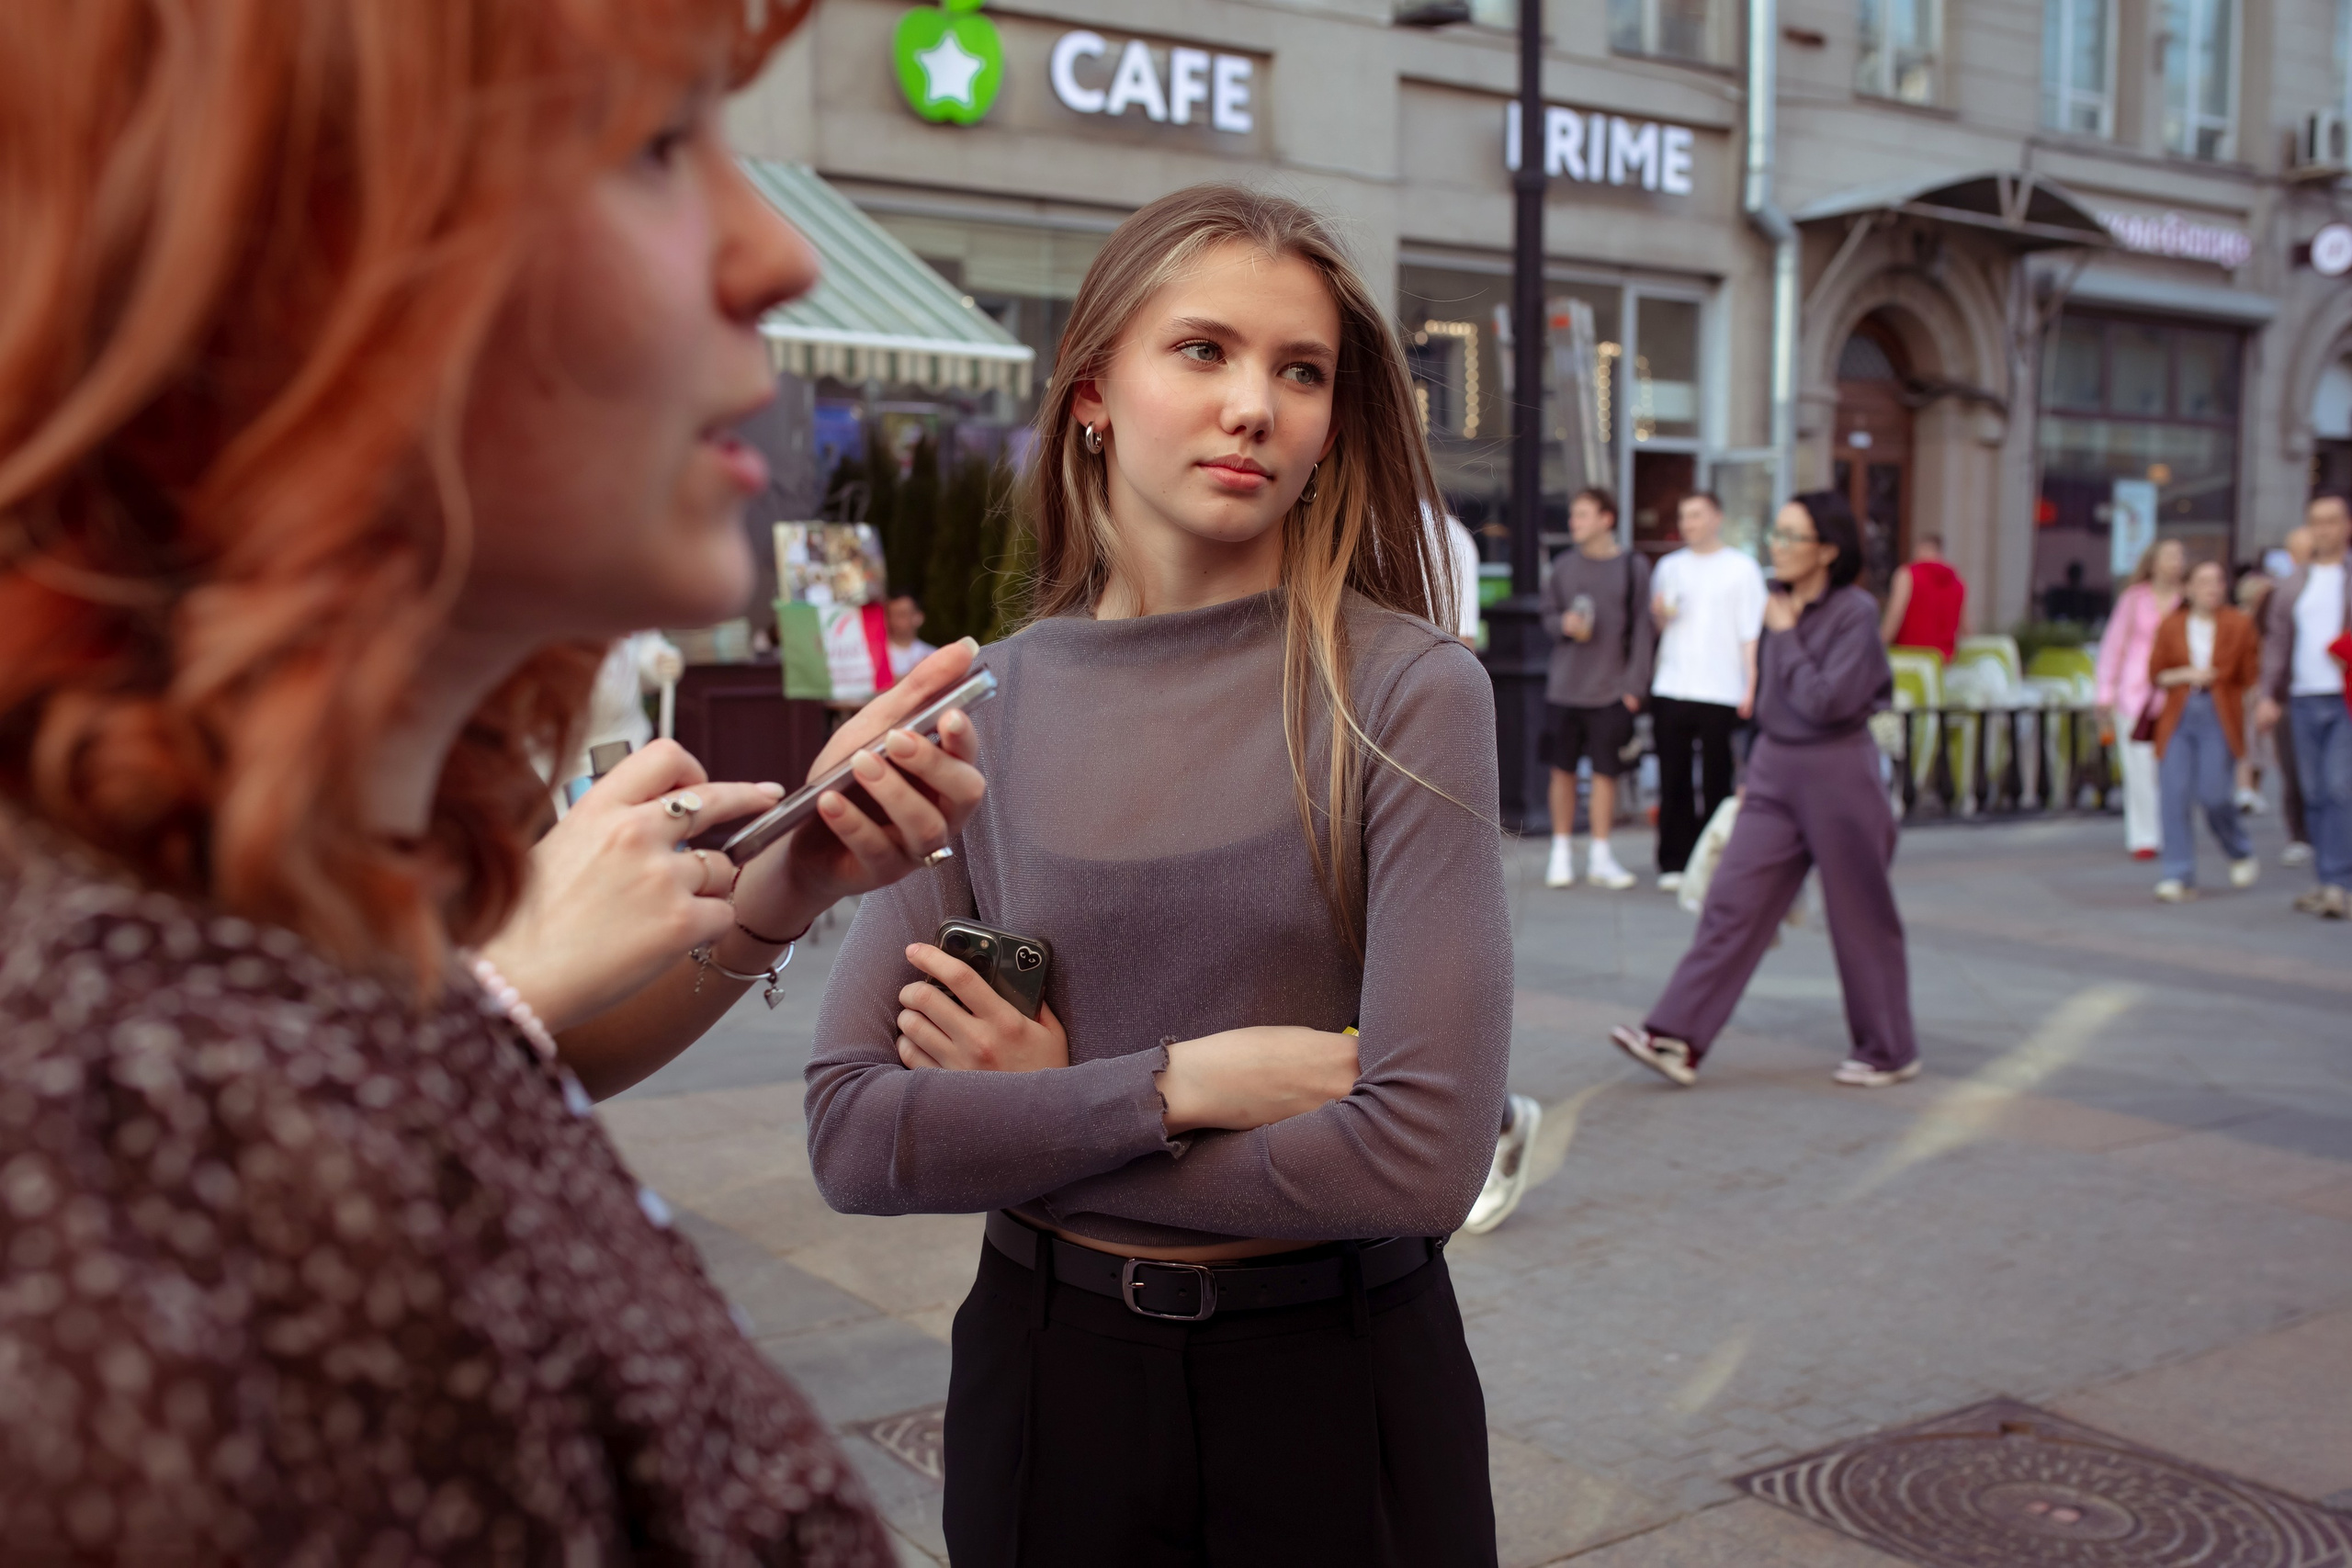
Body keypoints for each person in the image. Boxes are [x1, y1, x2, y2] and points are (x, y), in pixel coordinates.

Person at [0, 2, 998, 1556]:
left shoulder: (243, 940)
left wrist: (773, 886)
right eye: (656, 145)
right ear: (284, 258)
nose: (778, 252)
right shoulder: (136, 1114)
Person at [803, 186, 1511, 1566]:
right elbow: (853, 1132)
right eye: (1203, 350)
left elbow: (1424, 1156)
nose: (1256, 404)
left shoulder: (1406, 691)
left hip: (1339, 1384)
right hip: (1047, 1379)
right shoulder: (973, 710)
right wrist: (1170, 1086)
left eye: (1300, 370)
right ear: (1091, 394)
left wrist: (1038, 1119)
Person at [1610, 491, 1917, 1089]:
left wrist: (1789, 634)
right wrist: (1753, 775)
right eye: (1775, 533)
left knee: (1861, 914)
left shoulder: (1852, 612)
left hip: (1839, 771)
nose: (1777, 545)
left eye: (1791, 536)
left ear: (1827, 550)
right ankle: (1676, 1035)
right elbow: (1775, 705)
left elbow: (1829, 701)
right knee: (1731, 898)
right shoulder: (1778, 605)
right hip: (1776, 769)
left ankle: (1889, 1048)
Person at [1649, 491, 1767, 890]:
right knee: (1673, 777)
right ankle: (1673, 861)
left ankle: (1714, 858)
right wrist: (1659, 615)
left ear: (1717, 517)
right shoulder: (1669, 567)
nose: (1689, 523)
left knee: (1718, 778)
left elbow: (1751, 633)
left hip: (1722, 688)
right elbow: (1661, 625)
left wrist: (1752, 684)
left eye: (1696, 515)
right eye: (1684, 516)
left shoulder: (1742, 568)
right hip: (1672, 683)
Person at [1539, 488, 1654, 890]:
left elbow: (1643, 627)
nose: (1574, 522)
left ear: (1607, 518)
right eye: (1573, 515)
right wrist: (1562, 625)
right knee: (1562, 771)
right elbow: (1547, 615)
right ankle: (1561, 853)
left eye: (1583, 515)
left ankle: (1601, 856)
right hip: (1564, 686)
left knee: (1607, 774)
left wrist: (1634, 686)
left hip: (1611, 689)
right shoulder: (1564, 565)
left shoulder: (1632, 566)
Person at [2257, 493, 2352, 918]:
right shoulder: (2293, 584)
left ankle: (2340, 882)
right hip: (2302, 697)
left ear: (2346, 526)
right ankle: (2327, 878)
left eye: (2332, 521)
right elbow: (2277, 644)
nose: (2324, 529)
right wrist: (2268, 696)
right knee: (2310, 792)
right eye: (2317, 521)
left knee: (2339, 788)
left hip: (2344, 697)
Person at [2148, 561, 2261, 902]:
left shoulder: (2238, 625)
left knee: (2214, 795)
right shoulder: (2171, 626)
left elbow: (2251, 678)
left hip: (2219, 711)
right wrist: (2186, 674)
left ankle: (2239, 849)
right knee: (2174, 793)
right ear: (2189, 588)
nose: (2213, 588)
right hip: (2180, 713)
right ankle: (2177, 873)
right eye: (2204, 581)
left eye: (2218, 581)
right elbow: (2155, 674)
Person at [2095, 538, 2188, 861]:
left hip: (2177, 691)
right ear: (2153, 562)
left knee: (2171, 766)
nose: (2175, 562)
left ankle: (2170, 828)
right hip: (2135, 692)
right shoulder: (2134, 600)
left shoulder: (2186, 601)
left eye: (2179, 557)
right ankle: (2145, 836)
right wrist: (2105, 690)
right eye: (2169, 556)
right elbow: (2113, 645)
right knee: (2138, 766)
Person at [553, 628, 684, 792]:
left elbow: (647, 648)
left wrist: (658, 663)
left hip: (623, 736)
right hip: (566, 747)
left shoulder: (629, 623)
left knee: (627, 794)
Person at [1880, 531, 1967, 660]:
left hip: (1912, 661)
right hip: (1944, 662)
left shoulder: (1907, 575)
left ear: (1919, 549)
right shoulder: (1957, 582)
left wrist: (1879, 644)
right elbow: (1965, 629)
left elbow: (1895, 614)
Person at [887, 591, 939, 680]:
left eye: (901, 615)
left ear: (918, 618)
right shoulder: (873, 654)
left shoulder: (933, 654)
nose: (894, 621)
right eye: (890, 615)